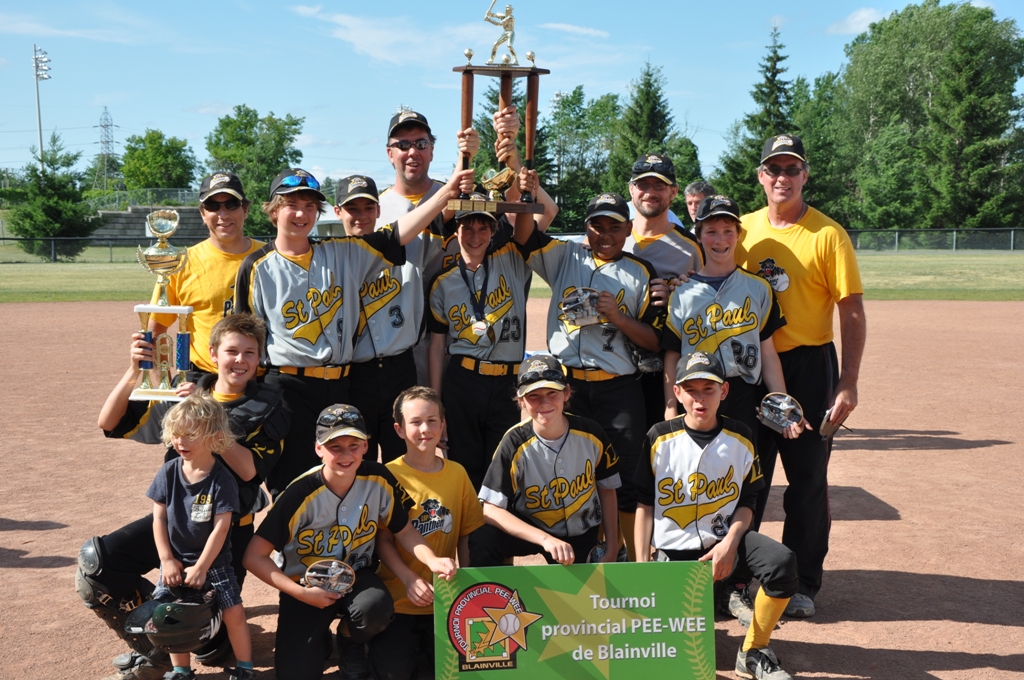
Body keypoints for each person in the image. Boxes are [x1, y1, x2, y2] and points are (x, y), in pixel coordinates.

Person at [234, 166, 472, 496]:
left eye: (309, 206)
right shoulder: (256, 266)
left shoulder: (340, 251)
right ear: (274, 211)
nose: (301, 214)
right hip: (288, 388)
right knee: (292, 483)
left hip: (340, 385)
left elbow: (396, 234)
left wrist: (447, 191)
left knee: (343, 478)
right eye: (292, 205)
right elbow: (245, 338)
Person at [81, 314, 288, 680]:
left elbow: (249, 472)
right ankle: (155, 646)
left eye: (249, 353)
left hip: (225, 533)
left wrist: (208, 418)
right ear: (213, 354)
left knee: (210, 645)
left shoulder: (269, 406)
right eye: (231, 351)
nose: (240, 360)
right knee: (97, 564)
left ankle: (187, 628)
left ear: (260, 358)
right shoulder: (185, 389)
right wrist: (135, 371)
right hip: (177, 523)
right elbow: (108, 423)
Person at [735, 134, 867, 617]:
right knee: (745, 476)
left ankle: (801, 582)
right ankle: (738, 578)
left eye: (792, 169)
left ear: (805, 175)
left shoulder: (827, 234)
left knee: (807, 479)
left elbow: (851, 310)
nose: (782, 178)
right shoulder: (742, 230)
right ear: (761, 176)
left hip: (810, 365)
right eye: (774, 169)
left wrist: (848, 380)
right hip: (750, 366)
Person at [660, 194, 807, 624]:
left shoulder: (757, 288)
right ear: (699, 236)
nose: (720, 238)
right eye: (711, 230)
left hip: (743, 395)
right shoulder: (683, 292)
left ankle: (737, 584)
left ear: (739, 235)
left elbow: (769, 353)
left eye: (728, 230)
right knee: (699, 487)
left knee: (745, 490)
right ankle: (695, 576)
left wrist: (783, 405)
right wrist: (670, 404)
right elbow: (671, 354)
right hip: (698, 397)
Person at [243, 404, 457, 680]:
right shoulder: (298, 493)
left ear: (366, 445)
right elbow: (253, 556)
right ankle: (318, 635)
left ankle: (349, 637)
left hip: (357, 575)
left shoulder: (378, 478)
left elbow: (403, 530)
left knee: (375, 608)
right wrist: (300, 594)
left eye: (353, 445)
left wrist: (431, 559)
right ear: (318, 448)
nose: (346, 455)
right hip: (305, 585)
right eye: (335, 447)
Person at [512, 188, 664, 560]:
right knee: (575, 478)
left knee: (626, 479)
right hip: (569, 389)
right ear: (586, 228)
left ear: (628, 229)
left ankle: (632, 560)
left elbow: (656, 341)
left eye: (614, 226)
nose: (605, 234)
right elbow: (524, 237)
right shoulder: (565, 255)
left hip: (619, 389)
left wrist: (619, 318)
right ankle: (592, 554)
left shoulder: (640, 272)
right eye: (597, 226)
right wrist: (524, 190)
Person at [634, 351, 799, 680]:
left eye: (708, 389)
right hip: (675, 554)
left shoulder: (741, 437)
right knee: (675, 656)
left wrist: (730, 543)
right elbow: (644, 504)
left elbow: (748, 501)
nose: (700, 399)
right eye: (691, 390)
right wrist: (642, 567)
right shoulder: (659, 438)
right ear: (677, 393)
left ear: (723, 391)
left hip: (725, 544)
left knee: (782, 563)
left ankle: (753, 651)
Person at [369, 386, 484, 679]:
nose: (425, 429)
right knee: (394, 673)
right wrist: (409, 579)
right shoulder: (388, 475)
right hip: (399, 597)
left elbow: (466, 534)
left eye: (432, 421)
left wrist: (467, 589)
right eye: (416, 422)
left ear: (442, 425)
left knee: (453, 672)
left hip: (444, 599)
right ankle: (355, 641)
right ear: (399, 429)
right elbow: (383, 540)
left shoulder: (457, 473)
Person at [471, 353, 620, 566]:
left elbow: (607, 489)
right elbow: (491, 509)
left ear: (566, 393)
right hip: (532, 527)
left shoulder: (591, 433)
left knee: (578, 586)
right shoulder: (513, 442)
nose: (544, 402)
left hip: (581, 530)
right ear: (521, 401)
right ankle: (493, 588)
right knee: (483, 539)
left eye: (552, 393)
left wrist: (612, 548)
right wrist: (544, 539)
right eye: (533, 396)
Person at [145, 393, 255, 680]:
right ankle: (181, 670)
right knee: (170, 614)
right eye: (176, 434)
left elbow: (221, 528)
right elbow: (158, 518)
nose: (181, 442)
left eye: (190, 435)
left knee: (233, 613)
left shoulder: (222, 478)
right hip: (175, 561)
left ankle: (245, 668)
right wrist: (166, 560)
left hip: (214, 563)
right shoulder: (168, 472)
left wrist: (203, 567)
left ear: (215, 436)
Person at [426, 193, 531, 490]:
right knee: (465, 466)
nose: (475, 237)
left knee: (504, 467)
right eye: (467, 228)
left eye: (483, 228)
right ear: (456, 231)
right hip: (464, 380)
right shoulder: (443, 281)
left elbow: (542, 215)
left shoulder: (512, 259)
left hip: (508, 382)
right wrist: (437, 403)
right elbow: (437, 347)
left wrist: (522, 181)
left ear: (493, 230)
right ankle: (468, 522)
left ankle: (497, 522)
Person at [149, 172, 264, 379]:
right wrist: (163, 386)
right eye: (213, 206)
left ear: (245, 210)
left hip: (262, 379)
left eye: (232, 204)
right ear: (203, 214)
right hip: (203, 379)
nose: (223, 214)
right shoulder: (181, 263)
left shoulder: (269, 257)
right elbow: (156, 332)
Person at [622, 153, 704, 432]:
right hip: (613, 367)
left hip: (667, 370)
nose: (650, 192)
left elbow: (710, 307)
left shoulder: (691, 248)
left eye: (659, 186)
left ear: (674, 192)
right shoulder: (610, 238)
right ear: (631, 189)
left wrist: (678, 299)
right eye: (643, 185)